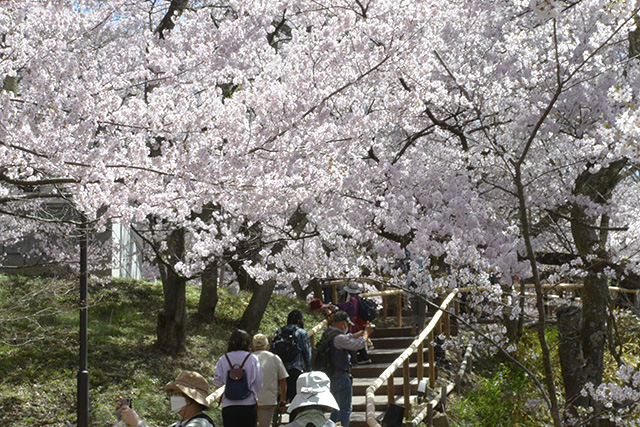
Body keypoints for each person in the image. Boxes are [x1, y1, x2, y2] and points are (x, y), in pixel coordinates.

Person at [320, 310, 373, 427]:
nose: (348, 327)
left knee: (335, 408)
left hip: (330, 375)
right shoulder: (339, 338)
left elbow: (347, 338)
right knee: (344, 408)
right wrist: (366, 335)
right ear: (342, 323)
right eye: (347, 324)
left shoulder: (328, 334)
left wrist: (360, 333)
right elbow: (357, 345)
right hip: (341, 376)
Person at [116, 370, 215, 427]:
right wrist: (127, 418)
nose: (172, 397)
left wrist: (137, 423)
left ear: (189, 400)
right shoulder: (178, 425)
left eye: (176, 393)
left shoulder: (201, 424)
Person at [213, 329, 264, 427]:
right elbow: (259, 383)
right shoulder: (252, 358)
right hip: (248, 404)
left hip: (228, 404)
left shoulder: (223, 359)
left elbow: (217, 382)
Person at [272, 310, 312, 403]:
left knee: (280, 398)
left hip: (281, 371)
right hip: (296, 370)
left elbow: (272, 350)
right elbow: (307, 353)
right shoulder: (301, 333)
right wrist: (309, 370)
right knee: (296, 401)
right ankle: (294, 417)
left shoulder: (279, 332)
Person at [252, 333, 289, 427]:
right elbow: (283, 380)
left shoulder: (248, 359)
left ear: (253, 346)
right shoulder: (274, 358)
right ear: (267, 345)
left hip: (250, 400)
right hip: (268, 400)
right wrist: (282, 400)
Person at [337, 282, 371, 364]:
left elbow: (351, 309)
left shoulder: (353, 300)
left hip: (354, 321)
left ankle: (360, 358)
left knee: (353, 338)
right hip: (358, 321)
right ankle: (363, 357)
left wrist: (339, 306)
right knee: (356, 337)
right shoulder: (357, 298)